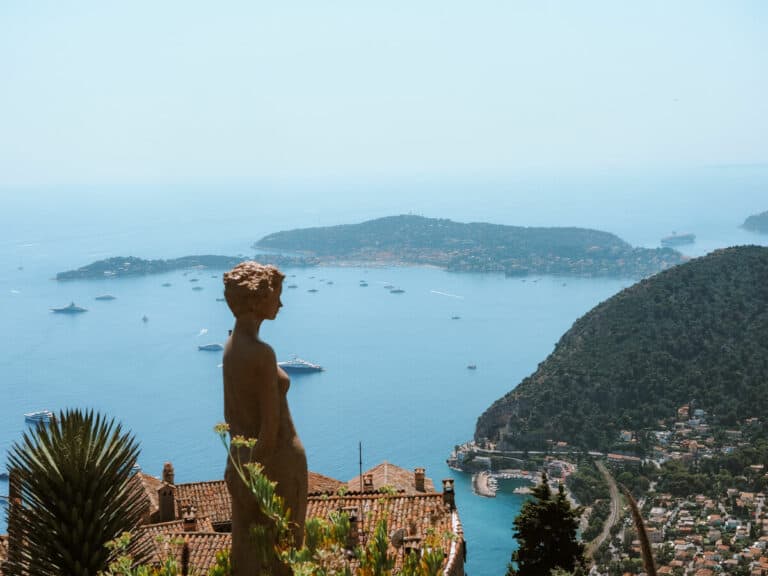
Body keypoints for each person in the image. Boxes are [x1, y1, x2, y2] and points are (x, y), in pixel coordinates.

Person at [223, 261, 308, 575]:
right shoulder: (262, 353)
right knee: (285, 553)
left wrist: (238, 466)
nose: (281, 303)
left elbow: (229, 415)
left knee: (246, 552)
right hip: (277, 462)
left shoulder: (231, 345)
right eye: (277, 296)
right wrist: (254, 479)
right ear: (259, 299)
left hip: (241, 457)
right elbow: (270, 429)